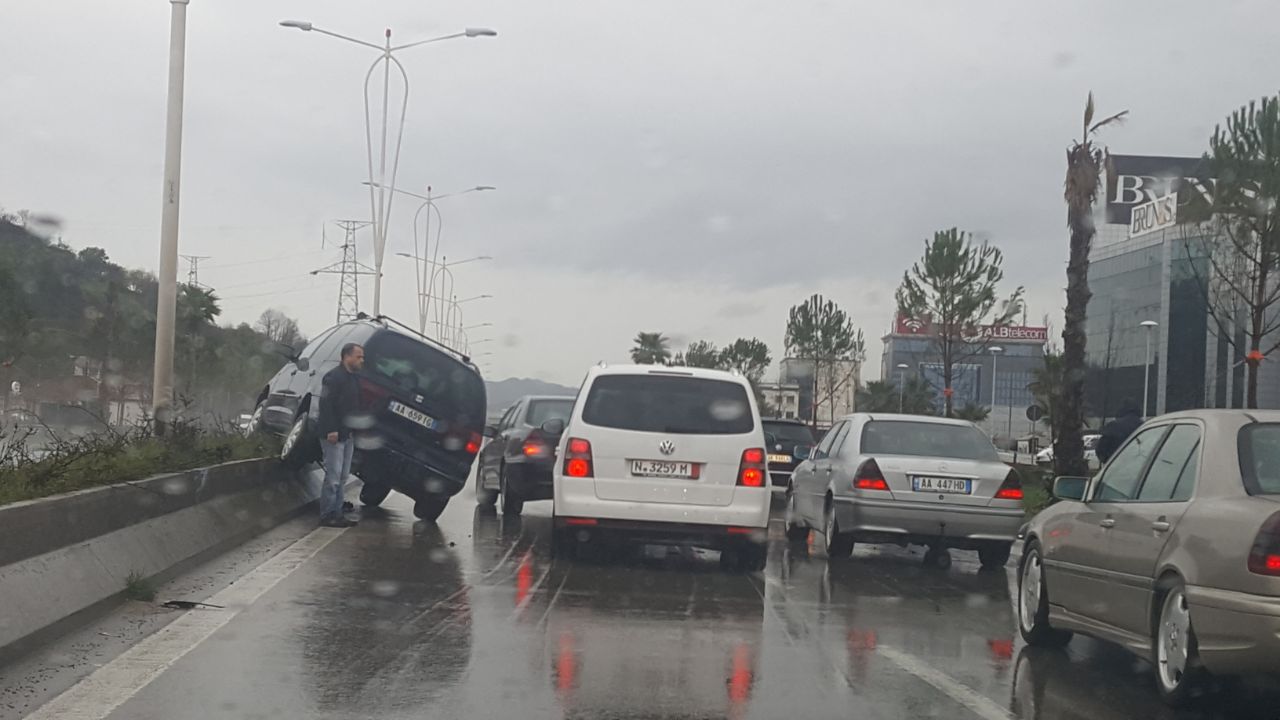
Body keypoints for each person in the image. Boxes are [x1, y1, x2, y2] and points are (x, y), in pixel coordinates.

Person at [317, 343, 364, 528]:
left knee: (343, 476)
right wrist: (331, 429)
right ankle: (327, 513)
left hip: (348, 435)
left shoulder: (354, 379)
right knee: (333, 476)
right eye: (359, 356)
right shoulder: (333, 377)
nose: (362, 360)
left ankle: (337, 512)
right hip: (334, 435)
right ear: (347, 357)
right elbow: (326, 404)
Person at [1096, 399, 1143, 465]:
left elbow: (1100, 449)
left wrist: (1109, 462)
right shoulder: (1144, 427)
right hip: (1140, 465)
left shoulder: (1113, 426)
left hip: (1116, 466)